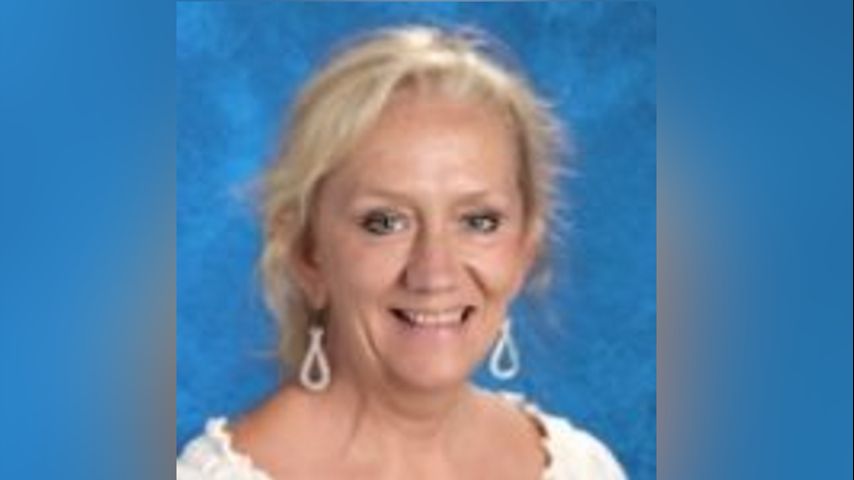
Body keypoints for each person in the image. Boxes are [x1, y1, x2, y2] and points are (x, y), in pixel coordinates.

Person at [177, 25, 627, 480]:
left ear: (524, 249)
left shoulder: (583, 468)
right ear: (307, 254)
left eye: (479, 221)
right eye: (385, 222)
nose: (434, 274)